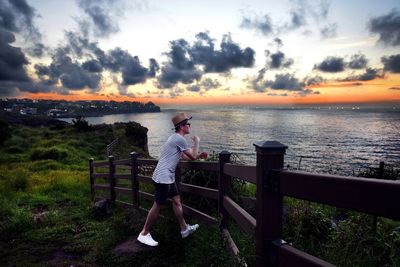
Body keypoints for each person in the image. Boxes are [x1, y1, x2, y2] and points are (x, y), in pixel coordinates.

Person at [137, 113, 208, 247]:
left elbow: (185, 157)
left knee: (176, 201)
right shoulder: (179, 139)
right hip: (163, 177)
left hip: (167, 177)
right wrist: (197, 142)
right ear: (181, 126)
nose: (189, 126)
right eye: (188, 124)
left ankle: (184, 228)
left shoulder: (175, 138)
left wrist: (199, 155)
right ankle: (144, 233)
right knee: (158, 205)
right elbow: (192, 157)